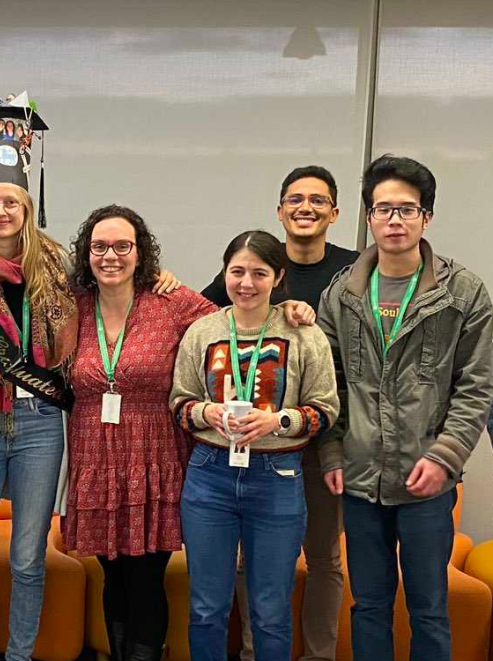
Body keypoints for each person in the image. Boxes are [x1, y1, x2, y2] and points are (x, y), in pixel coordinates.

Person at [0, 99, 181, 661]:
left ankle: (20, 654)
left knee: (28, 559)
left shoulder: (61, 271)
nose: (1, 211)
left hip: (43, 424)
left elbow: (119, 285)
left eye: (11, 202)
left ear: (27, 208)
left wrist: (159, 276)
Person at [317, 155, 493, 661]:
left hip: (428, 481)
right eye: (383, 209)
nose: (395, 220)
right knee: (368, 606)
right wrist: (331, 453)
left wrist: (445, 457)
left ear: (426, 217)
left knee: (429, 609)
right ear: (369, 217)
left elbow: (477, 386)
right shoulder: (342, 293)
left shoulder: (462, 293)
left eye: (407, 209)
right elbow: (328, 383)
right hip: (359, 479)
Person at [201, 166, 357, 661]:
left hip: (327, 434)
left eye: (317, 200)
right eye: (295, 199)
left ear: (335, 212)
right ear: (280, 209)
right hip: (257, 445)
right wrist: (158, 281)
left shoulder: (354, 271)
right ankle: (254, 652)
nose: (305, 207)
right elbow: (199, 314)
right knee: (253, 561)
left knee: (325, 557)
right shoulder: (257, 263)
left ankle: (319, 654)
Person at [171, 230, 339, 661]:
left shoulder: (304, 334)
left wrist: (278, 420)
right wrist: (206, 412)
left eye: (259, 273)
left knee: (270, 610)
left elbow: (325, 410)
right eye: (237, 272)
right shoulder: (202, 331)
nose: (246, 283)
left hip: (277, 476)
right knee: (206, 607)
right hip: (209, 474)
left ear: (278, 277)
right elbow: (179, 403)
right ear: (224, 274)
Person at [63, 205, 216, 661]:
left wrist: (288, 310)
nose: (110, 256)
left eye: (122, 246)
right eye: (99, 247)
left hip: (155, 457)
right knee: (112, 575)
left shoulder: (171, 302)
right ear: (86, 254)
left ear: (140, 252)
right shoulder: (72, 306)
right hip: (94, 457)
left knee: (147, 577)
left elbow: (234, 324)